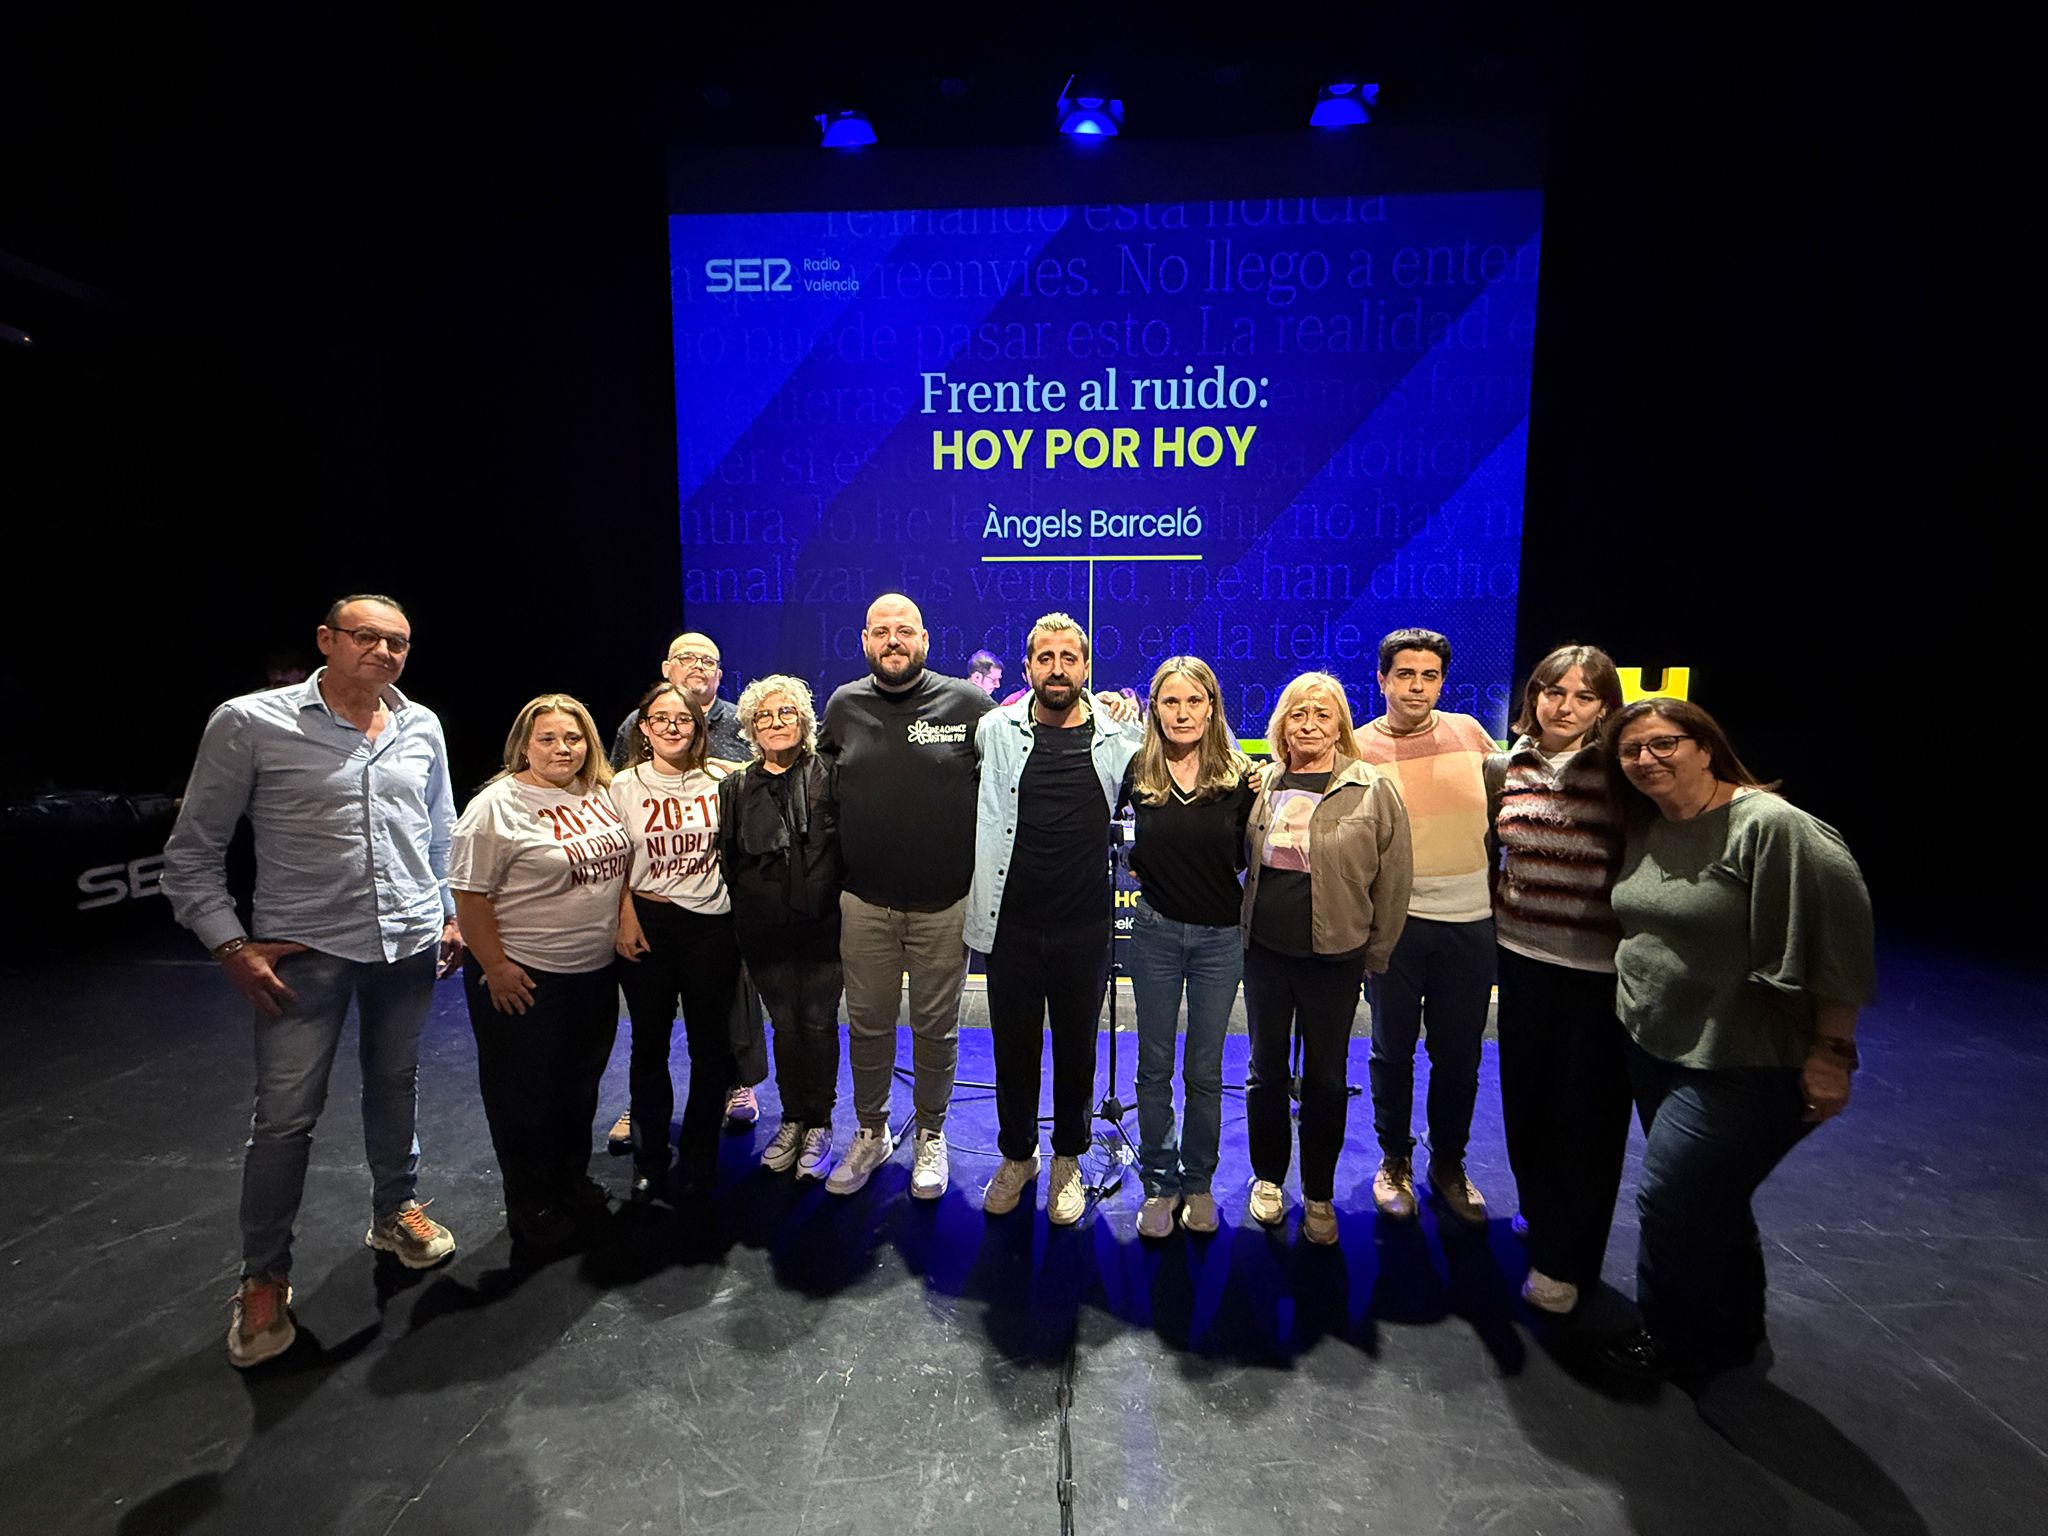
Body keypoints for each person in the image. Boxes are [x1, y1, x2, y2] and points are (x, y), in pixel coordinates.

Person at [164, 594, 461, 1368]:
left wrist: (449, 913)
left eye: (398, 641)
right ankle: (263, 1277)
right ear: (326, 640)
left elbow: (438, 831)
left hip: (406, 944)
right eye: (367, 637)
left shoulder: (419, 724)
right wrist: (230, 945)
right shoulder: (250, 722)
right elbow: (191, 852)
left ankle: (395, 1211)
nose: (385, 652)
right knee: (286, 1119)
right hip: (306, 955)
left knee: (397, 1083)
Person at [1596, 698, 1874, 1381]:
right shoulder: (1650, 824)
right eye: (1631, 752)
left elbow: (1841, 946)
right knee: (1709, 1194)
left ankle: (1669, 1335)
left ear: (1705, 747)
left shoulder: (1774, 827)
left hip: (1745, 1055)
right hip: (1657, 1041)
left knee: (1671, 1195)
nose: (1645, 761)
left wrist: (1831, 1053)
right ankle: (1735, 1324)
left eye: (1662, 745)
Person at [816, 594, 996, 1198]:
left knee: (935, 1029)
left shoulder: (968, 704)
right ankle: (870, 1131)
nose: (894, 641)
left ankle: (931, 1136)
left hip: (945, 905)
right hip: (864, 903)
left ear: (925, 638)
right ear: (865, 640)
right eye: (881, 632)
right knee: (866, 1025)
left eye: (905, 631)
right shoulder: (843, 706)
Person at [969, 613, 1143, 1224]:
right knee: (1011, 1050)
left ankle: (1068, 1157)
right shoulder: (992, 730)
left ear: (1087, 668)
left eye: (1069, 658)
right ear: (1028, 669)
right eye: (1045, 658)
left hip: (1085, 925)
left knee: (1077, 1050)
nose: (1058, 669)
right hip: (1009, 923)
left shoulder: (1121, 740)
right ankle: (1019, 1157)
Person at [451, 693, 630, 1248]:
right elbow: (470, 895)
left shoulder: (598, 792)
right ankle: (531, 1203)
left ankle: (570, 1181)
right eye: (548, 738)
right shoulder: (495, 807)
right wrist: (496, 968)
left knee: (578, 1090)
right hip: (525, 979)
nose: (562, 748)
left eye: (573, 738)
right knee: (523, 1099)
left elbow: (619, 869)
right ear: (524, 745)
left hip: (594, 973)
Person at [1239, 672, 1412, 1243]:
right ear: (1281, 724)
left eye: (1323, 713)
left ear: (1341, 722)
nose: (1309, 724)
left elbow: (1393, 882)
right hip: (1266, 953)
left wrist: (1377, 953)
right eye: (1297, 714)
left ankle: (1318, 1193)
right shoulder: (1264, 783)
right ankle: (1267, 1178)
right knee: (1265, 1073)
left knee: (1326, 1078)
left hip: (1336, 958)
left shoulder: (1373, 789)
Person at [1490, 644, 1629, 1315]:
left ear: (1605, 707)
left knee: (1587, 1119)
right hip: (1520, 957)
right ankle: (1543, 1211)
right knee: (1527, 1102)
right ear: (1533, 697)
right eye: (1553, 692)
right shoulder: (1510, 764)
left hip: (1597, 973)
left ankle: (1567, 1259)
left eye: (1583, 697)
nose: (1565, 707)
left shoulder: (1619, 770)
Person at [1354, 628, 1499, 1225]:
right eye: (1405, 675)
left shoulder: (1470, 733)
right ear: (1383, 679)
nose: (1418, 687)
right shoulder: (1356, 747)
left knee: (1459, 1055)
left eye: (1430, 675)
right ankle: (1394, 1162)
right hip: (1395, 926)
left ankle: (1449, 1165)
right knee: (1392, 1051)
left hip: (1471, 925)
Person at [604, 628, 758, 1143]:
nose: (673, 728)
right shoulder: (624, 778)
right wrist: (624, 914)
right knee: (647, 1042)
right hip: (647, 918)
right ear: (645, 727)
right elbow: (617, 848)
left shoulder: (729, 744)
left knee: (713, 1039)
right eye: (686, 658)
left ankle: (702, 1152)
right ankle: (648, 1137)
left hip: (712, 922)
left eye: (708, 660)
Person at [1118, 656, 1254, 1238]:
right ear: (1155, 708)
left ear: (1212, 707)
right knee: (1153, 1068)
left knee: (1203, 1069)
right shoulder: (1135, 772)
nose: (1182, 713)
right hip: (1153, 934)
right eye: (1170, 702)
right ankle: (1158, 1184)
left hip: (1222, 941)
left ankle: (1197, 1183)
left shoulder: (1244, 778)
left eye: (1193, 701)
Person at [718, 676, 844, 1184]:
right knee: (785, 1027)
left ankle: (821, 1123)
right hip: (764, 931)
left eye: (786, 713)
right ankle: (792, 1119)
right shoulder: (735, 787)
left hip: (824, 929)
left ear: (805, 721)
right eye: (764, 716)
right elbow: (729, 861)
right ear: (750, 726)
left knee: (817, 1024)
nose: (775, 723)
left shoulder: (830, 774)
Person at [609, 630, 748, 769]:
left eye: (708, 662)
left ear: (718, 676)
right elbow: (616, 776)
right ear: (666, 669)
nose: (699, 666)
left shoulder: (743, 720)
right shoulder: (639, 721)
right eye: (687, 658)